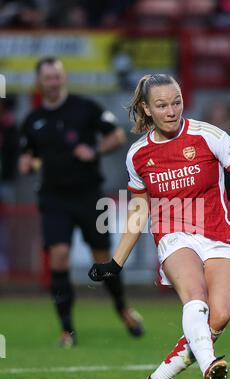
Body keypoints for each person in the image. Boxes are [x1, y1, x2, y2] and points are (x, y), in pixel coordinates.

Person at [88, 74, 230, 379]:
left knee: (218, 317)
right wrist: (115, 262)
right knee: (195, 299)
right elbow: (139, 209)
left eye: (176, 102)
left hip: (218, 235)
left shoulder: (209, 136)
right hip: (173, 235)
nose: (171, 110)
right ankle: (210, 366)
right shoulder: (138, 155)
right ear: (146, 109)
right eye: (161, 105)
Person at [18, 56, 144, 347]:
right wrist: (27, 162)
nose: (54, 81)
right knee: (59, 256)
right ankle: (67, 330)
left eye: (57, 76)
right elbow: (30, 155)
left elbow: (114, 135)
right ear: (40, 82)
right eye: (48, 77)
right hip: (53, 199)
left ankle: (123, 308)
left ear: (64, 78)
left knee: (103, 259)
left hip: (89, 196)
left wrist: (96, 150)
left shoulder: (85, 108)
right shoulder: (33, 120)